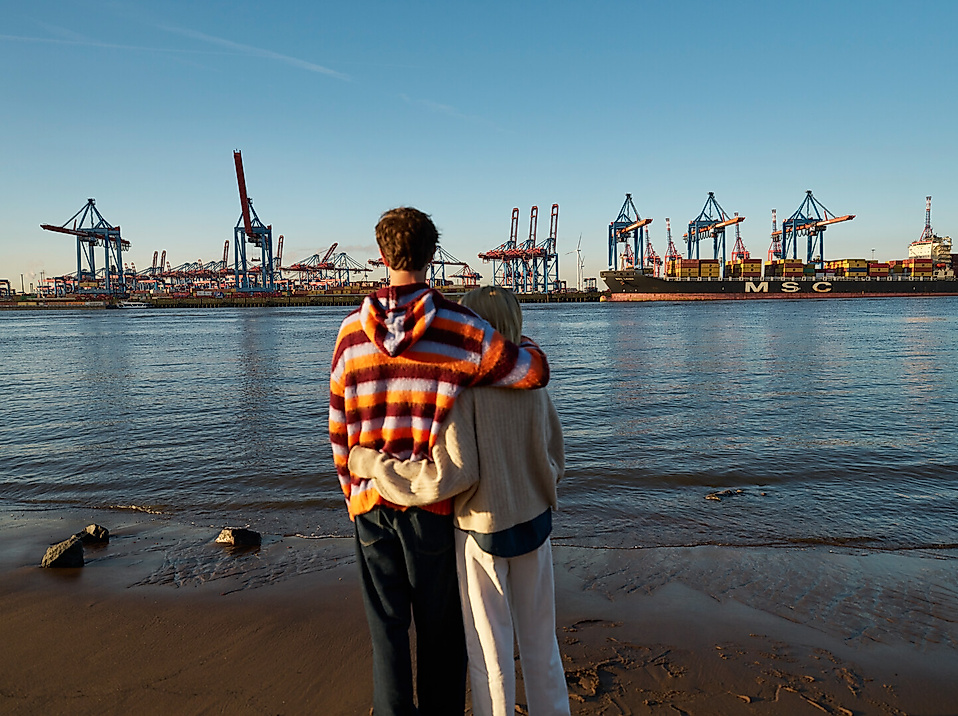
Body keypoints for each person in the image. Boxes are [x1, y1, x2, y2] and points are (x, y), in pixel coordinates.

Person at [329, 209, 551, 716]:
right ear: (433, 257)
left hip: (369, 503)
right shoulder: (459, 328)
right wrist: (527, 341)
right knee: (440, 636)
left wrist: (354, 496)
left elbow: (338, 427)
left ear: (381, 257)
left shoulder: (348, 335)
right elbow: (529, 373)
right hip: (430, 508)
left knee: (386, 636)